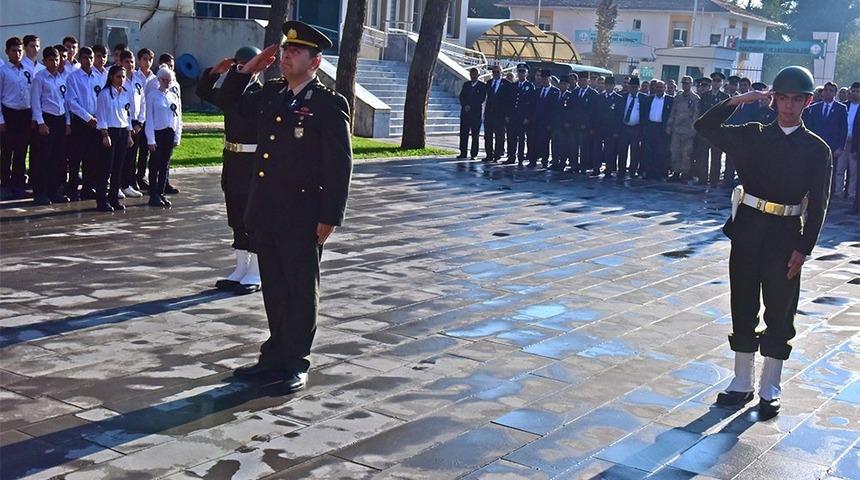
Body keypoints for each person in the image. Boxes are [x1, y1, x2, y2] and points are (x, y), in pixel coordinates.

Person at [220, 21, 353, 393]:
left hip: (303, 214)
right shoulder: (274, 94)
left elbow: (340, 163)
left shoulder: (327, 103)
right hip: (266, 211)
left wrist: (330, 215)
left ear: (314, 62)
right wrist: (247, 70)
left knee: (300, 289)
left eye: (296, 51)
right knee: (275, 288)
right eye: (285, 50)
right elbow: (229, 101)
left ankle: (296, 361)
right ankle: (274, 356)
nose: (286, 55)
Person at [695, 66, 831, 419]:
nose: (788, 106)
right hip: (749, 228)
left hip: (786, 234)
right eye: (782, 98)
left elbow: (819, 204)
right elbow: (705, 126)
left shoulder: (817, 149)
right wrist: (739, 100)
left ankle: (770, 385)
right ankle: (742, 381)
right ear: (773, 99)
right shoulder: (752, 134)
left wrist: (805, 248)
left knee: (780, 309)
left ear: (808, 102)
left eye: (796, 99)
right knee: (743, 303)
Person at [197, 46, 263, 295]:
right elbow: (203, 91)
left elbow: (242, 106)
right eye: (238, 65)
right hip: (232, 160)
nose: (240, 69)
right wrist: (215, 71)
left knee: (253, 218)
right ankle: (240, 268)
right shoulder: (230, 93)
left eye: (246, 65)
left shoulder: (261, 93)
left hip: (252, 163)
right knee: (236, 217)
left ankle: (256, 271)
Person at [30, 46, 71, 205]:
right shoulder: (40, 78)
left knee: (58, 158)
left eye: (57, 59)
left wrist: (67, 122)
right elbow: (36, 102)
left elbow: (65, 102)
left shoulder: (62, 78)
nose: (54, 62)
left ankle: (54, 191)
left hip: (60, 119)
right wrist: (41, 122)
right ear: (45, 60)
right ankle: (40, 192)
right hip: (47, 119)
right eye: (51, 60)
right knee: (43, 158)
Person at [66, 46, 107, 201]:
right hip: (81, 122)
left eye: (91, 58)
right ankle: (72, 189)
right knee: (76, 157)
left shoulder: (99, 77)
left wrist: (98, 118)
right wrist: (87, 117)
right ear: (80, 59)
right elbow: (72, 102)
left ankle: (88, 188)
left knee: (92, 158)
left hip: (96, 121)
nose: (89, 61)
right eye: (85, 58)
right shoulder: (73, 77)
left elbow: (102, 99)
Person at [95, 64, 135, 211]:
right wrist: (105, 135)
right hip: (110, 132)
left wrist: (129, 134)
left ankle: (114, 198)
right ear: (111, 77)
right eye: (118, 76)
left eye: (123, 77)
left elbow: (127, 115)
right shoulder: (105, 94)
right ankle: (101, 200)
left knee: (118, 168)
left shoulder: (125, 93)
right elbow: (102, 116)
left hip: (122, 132)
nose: (121, 80)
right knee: (106, 168)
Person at [144, 66, 181, 207]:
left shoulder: (173, 96)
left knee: (165, 165)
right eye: (165, 80)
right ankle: (153, 194)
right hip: (157, 132)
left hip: (169, 133)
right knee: (154, 165)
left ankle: (161, 192)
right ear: (159, 80)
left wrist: (177, 136)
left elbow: (178, 118)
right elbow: (149, 119)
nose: (167, 82)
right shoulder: (152, 96)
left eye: (169, 80)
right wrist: (150, 139)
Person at [0, 37, 32, 200]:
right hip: (9, 114)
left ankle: (18, 183)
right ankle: (4, 184)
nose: (17, 53)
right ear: (7, 52)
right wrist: (1, 120)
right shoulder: (3, 71)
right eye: (14, 50)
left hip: (25, 114)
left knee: (21, 151)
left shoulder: (28, 69)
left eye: (20, 50)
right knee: (7, 151)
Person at [803, 81, 848, 196]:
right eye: (826, 90)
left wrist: (840, 147)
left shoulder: (841, 108)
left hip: (832, 147)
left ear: (835, 93)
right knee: (813, 170)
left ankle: (829, 194)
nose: (828, 93)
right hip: (816, 145)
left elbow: (843, 129)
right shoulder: (814, 108)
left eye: (831, 91)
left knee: (830, 172)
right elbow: (809, 126)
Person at [119, 50, 145, 199]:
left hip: (136, 122)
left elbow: (143, 102)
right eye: (127, 62)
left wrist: (140, 122)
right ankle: (118, 185)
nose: (130, 65)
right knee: (121, 155)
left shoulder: (138, 80)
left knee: (132, 156)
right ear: (121, 63)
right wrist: (129, 126)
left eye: (132, 61)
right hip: (123, 122)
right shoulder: (119, 80)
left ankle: (128, 184)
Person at [666, 75, 699, 181]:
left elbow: (696, 115)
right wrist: (669, 125)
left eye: (687, 83)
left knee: (686, 153)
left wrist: (693, 130)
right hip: (676, 129)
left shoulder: (695, 98)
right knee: (674, 151)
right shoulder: (678, 97)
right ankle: (675, 172)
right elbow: (673, 112)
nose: (685, 85)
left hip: (687, 130)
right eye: (684, 83)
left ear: (691, 84)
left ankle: (684, 174)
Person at [133, 48, 156, 191]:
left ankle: (141, 176)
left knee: (145, 150)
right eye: (145, 59)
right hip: (137, 119)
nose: (147, 62)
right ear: (139, 60)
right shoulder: (135, 76)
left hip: (150, 119)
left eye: (150, 59)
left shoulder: (155, 79)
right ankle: (129, 178)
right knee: (133, 149)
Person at [641, 79, 673, 179]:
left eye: (661, 87)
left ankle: (659, 173)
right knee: (649, 151)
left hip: (662, 129)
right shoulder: (649, 99)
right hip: (650, 128)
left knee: (660, 152)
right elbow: (644, 114)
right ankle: (648, 172)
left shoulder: (670, 100)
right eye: (657, 87)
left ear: (665, 88)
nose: (659, 89)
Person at [593, 76, 624, 177]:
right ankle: (596, 168)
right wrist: (594, 128)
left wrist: (616, 131)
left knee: (609, 151)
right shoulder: (599, 97)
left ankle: (608, 170)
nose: (608, 87)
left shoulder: (619, 99)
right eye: (607, 85)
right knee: (597, 149)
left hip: (611, 129)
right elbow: (595, 113)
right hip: (599, 128)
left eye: (610, 85)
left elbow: (619, 117)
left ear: (614, 86)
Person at [528, 68, 558, 168]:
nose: (544, 80)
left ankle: (544, 161)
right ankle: (532, 161)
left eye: (546, 78)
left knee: (545, 142)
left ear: (550, 79)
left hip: (547, 122)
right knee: (533, 141)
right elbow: (532, 106)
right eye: (543, 78)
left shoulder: (555, 92)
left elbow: (554, 110)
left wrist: (551, 123)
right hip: (536, 121)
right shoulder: (537, 91)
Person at [505, 63, 534, 165]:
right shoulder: (513, 85)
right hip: (513, 116)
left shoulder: (530, 86)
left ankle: (520, 157)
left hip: (522, 117)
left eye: (523, 72)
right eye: (519, 72)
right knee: (511, 137)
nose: (521, 74)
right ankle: (511, 156)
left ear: (527, 74)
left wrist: (527, 117)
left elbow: (531, 104)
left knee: (521, 138)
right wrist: (508, 115)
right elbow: (509, 102)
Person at [618, 76, 645, 179]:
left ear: (638, 87)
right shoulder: (622, 97)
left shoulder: (643, 98)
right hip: (624, 127)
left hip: (636, 128)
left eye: (635, 87)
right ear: (628, 87)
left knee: (635, 151)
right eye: (631, 87)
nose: (633, 89)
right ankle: (621, 171)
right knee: (622, 150)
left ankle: (633, 171)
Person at [571, 72, 598, 175]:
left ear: (588, 81)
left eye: (584, 80)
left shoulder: (593, 94)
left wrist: (591, 126)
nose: (582, 82)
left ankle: (583, 166)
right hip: (574, 125)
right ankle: (574, 165)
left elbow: (594, 112)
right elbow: (571, 109)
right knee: (573, 146)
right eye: (581, 80)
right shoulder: (575, 92)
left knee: (584, 148)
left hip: (586, 126)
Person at [837, 82, 859, 201]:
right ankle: (838, 192)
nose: (855, 94)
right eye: (853, 91)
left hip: (855, 143)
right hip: (843, 141)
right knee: (840, 168)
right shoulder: (844, 106)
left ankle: (851, 194)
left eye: (858, 91)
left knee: (853, 170)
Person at [457, 67, 486, 160]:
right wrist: (465, 105)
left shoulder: (482, 86)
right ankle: (463, 152)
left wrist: (471, 106)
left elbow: (481, 98)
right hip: (465, 113)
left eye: (475, 74)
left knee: (475, 135)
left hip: (475, 114)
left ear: (478, 75)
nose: (473, 76)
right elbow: (461, 96)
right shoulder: (466, 84)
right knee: (463, 134)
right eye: (471, 74)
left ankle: (474, 153)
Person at [483, 65, 508, 162]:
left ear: (501, 72)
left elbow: (507, 101)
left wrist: (506, 114)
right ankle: (489, 155)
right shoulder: (489, 83)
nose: (496, 74)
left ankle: (497, 155)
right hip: (489, 114)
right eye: (494, 72)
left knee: (499, 136)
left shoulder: (506, 84)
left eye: (498, 72)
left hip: (500, 115)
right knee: (488, 135)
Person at [550, 76, 573, 171]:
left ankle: (562, 162)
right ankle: (554, 162)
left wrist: (568, 123)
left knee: (563, 144)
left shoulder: (570, 96)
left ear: (568, 85)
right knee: (554, 144)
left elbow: (571, 111)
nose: (562, 86)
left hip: (564, 125)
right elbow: (551, 110)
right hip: (555, 124)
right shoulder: (555, 95)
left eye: (565, 84)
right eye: (561, 84)